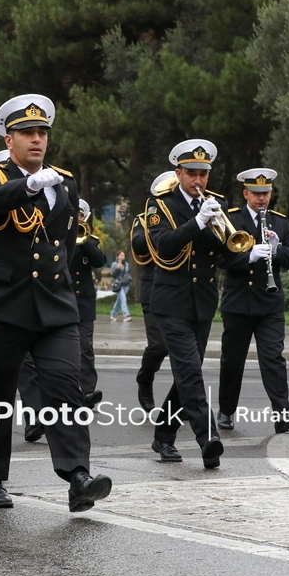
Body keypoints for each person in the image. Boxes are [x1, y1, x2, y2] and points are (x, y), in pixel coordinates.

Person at [0, 93, 112, 511]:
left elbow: (64, 243)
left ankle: (77, 476)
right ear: (9, 140)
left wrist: (65, 288)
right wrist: (26, 185)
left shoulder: (64, 180)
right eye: (27, 133)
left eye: (42, 133)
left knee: (68, 387)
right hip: (5, 303)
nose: (36, 140)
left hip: (54, 304)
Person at [143, 139, 228, 468]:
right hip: (171, 302)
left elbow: (223, 254)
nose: (198, 180)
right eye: (191, 173)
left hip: (203, 303)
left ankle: (163, 435)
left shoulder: (214, 204)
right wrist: (196, 223)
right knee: (191, 371)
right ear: (178, 173)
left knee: (184, 376)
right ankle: (208, 437)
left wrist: (248, 252)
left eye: (203, 174)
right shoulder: (159, 205)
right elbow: (164, 245)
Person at [216, 168, 289, 434]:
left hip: (269, 303)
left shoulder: (280, 222)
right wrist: (249, 256)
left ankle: (281, 413)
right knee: (232, 360)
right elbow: (220, 259)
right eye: (256, 194)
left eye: (266, 193)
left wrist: (277, 250)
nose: (262, 199)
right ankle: (227, 411)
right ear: (246, 194)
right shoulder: (231, 220)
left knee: (273, 359)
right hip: (238, 302)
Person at [130, 172, 178, 414]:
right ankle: (145, 379)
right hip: (154, 289)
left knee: (186, 353)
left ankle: (182, 400)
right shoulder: (145, 218)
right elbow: (138, 245)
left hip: (181, 290)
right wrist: (159, 230)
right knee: (159, 346)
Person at [72, 199, 107, 406]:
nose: (78, 219)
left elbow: (99, 262)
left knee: (85, 347)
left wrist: (83, 241)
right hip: (62, 300)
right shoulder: (58, 238)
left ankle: (88, 392)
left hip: (84, 302)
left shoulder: (90, 239)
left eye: (81, 216)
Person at [108, 251, 132, 321]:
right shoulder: (114, 264)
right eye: (121, 255)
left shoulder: (127, 264)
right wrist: (117, 268)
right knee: (123, 299)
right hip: (119, 284)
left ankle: (113, 314)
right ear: (117, 256)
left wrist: (130, 279)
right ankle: (126, 315)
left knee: (119, 300)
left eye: (123, 255)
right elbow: (113, 275)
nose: (122, 257)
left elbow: (127, 273)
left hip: (126, 283)